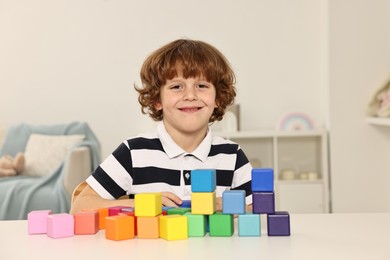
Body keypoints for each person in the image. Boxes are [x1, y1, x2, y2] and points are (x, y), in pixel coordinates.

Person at [70, 39, 252, 214]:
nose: (190, 95)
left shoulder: (232, 155)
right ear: (157, 99)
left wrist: (225, 204)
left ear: (218, 98)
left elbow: (260, 208)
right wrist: (141, 204)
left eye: (201, 85)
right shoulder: (133, 152)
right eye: (176, 87)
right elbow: (80, 206)